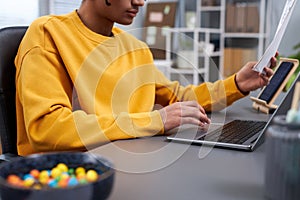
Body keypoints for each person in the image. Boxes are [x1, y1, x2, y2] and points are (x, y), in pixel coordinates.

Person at [15, 0, 277, 156]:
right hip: (74, 177)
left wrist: (237, 84)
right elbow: (47, 128)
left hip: (134, 160)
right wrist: (156, 119)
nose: (140, 1)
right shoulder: (47, 33)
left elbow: (180, 98)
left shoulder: (134, 47)